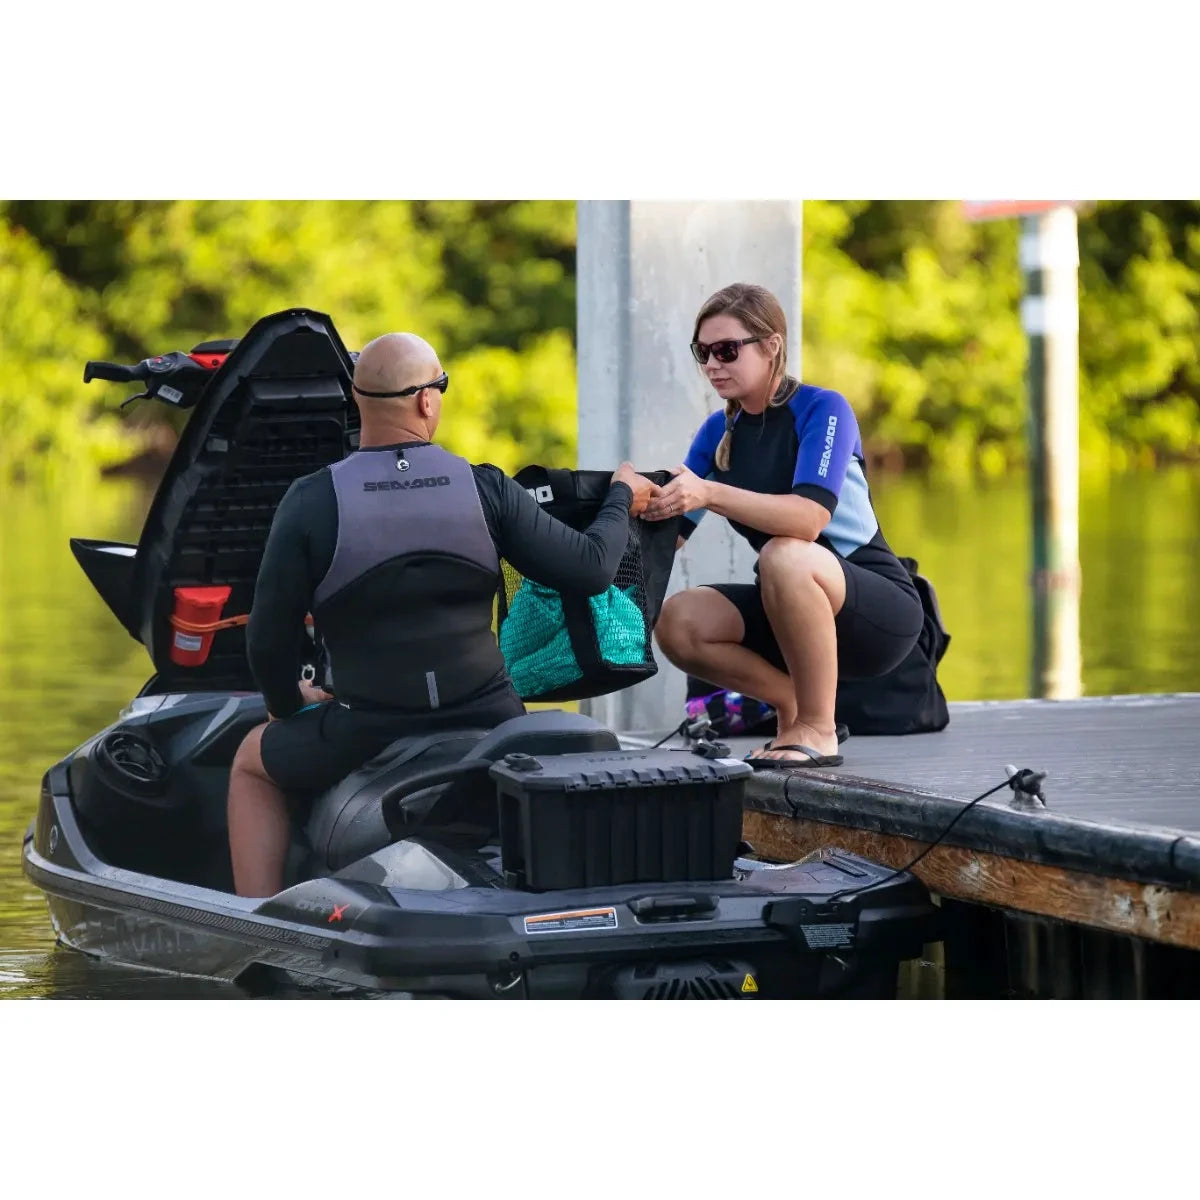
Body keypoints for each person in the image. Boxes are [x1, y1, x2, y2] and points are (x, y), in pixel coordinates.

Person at [227, 332, 657, 896]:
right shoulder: (485, 489)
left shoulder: (311, 500)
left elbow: (266, 639)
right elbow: (594, 566)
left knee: (249, 763)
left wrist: (287, 707)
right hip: (491, 718)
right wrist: (621, 495)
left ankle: (259, 925)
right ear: (427, 401)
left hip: (368, 726)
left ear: (357, 401)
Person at [643, 283, 923, 770]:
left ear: (771, 346)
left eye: (727, 350)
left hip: (879, 613)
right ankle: (792, 708)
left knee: (785, 553)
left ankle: (818, 729)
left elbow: (809, 519)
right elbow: (668, 536)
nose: (712, 364)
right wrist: (619, 504)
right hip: (787, 608)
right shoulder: (716, 432)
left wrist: (710, 492)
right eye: (702, 352)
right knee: (678, 620)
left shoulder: (822, 408)